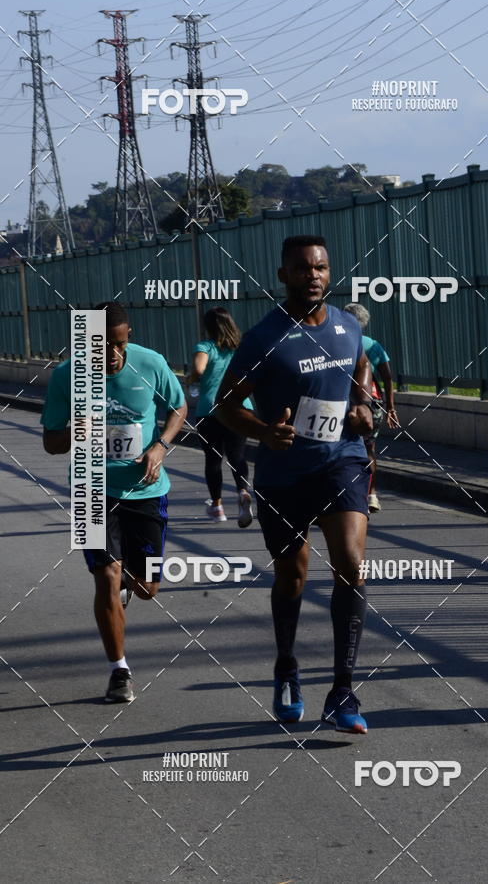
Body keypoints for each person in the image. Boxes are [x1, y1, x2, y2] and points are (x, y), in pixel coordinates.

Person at [217, 234, 373, 734]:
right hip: (284, 474)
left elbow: (360, 368)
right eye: (303, 268)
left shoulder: (348, 326)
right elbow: (225, 405)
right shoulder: (264, 338)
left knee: (351, 564)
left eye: (321, 267)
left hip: (342, 460)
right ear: (283, 275)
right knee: (292, 576)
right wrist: (265, 432)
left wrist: (363, 404)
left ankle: (343, 692)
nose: (314, 276)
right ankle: (287, 669)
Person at [41, 302, 187, 703]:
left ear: (128, 335)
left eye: (119, 344)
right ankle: (119, 671)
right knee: (106, 576)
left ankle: (128, 584)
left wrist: (160, 446)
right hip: (89, 489)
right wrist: (77, 432)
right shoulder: (67, 375)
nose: (111, 355)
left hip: (145, 491)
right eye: (101, 346)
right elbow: (51, 442)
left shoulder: (151, 363)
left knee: (147, 588)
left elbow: (178, 407)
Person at [187, 307, 253, 527]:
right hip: (240, 407)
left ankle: (217, 507)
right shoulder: (241, 348)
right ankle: (243, 491)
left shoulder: (205, 347)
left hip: (210, 409)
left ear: (208, 327)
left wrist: (190, 379)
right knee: (237, 455)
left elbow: (198, 369)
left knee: (213, 459)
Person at [344, 302, 398, 512]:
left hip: (343, 405)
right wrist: (390, 407)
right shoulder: (372, 345)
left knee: (343, 452)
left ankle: (349, 495)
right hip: (370, 405)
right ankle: (371, 494)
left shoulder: (336, 342)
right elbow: (387, 377)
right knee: (369, 450)